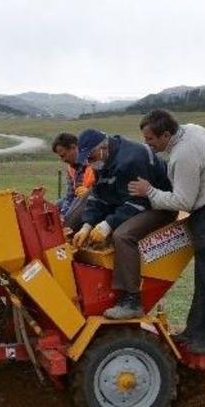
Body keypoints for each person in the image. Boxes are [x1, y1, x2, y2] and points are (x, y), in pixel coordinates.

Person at [130, 109, 205, 356]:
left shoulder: (183, 155)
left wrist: (149, 192)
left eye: (150, 139)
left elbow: (183, 201)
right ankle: (196, 331)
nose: (146, 143)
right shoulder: (192, 129)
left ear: (166, 134)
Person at [71, 129, 175, 319]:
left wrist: (107, 225)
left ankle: (131, 300)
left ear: (103, 146)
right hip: (128, 203)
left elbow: (139, 201)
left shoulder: (133, 158)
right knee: (86, 224)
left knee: (123, 235)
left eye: (91, 156)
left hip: (157, 206)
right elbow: (98, 196)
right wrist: (87, 225)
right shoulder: (101, 161)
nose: (89, 162)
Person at [52, 132, 96, 231]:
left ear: (74, 147)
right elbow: (70, 194)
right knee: (54, 206)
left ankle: (66, 228)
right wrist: (63, 213)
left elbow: (106, 188)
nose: (63, 160)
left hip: (95, 202)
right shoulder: (71, 168)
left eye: (63, 155)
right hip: (79, 199)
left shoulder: (95, 161)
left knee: (77, 204)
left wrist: (89, 192)